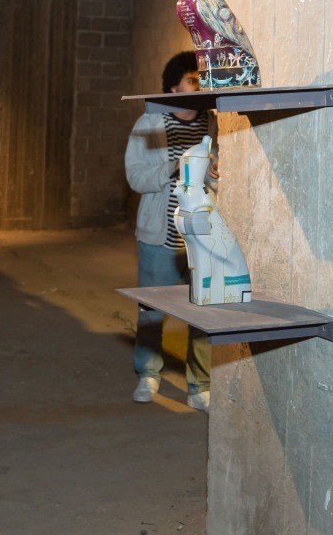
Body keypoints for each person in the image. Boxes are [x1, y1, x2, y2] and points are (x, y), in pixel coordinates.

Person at [124, 51, 216, 413]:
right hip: (160, 235)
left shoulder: (212, 122)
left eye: (202, 80)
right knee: (152, 309)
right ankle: (148, 374)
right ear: (173, 87)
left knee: (204, 311)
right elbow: (136, 178)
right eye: (192, 80)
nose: (199, 86)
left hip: (201, 234)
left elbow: (214, 175)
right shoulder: (149, 123)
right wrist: (175, 165)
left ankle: (200, 385)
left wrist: (215, 174)